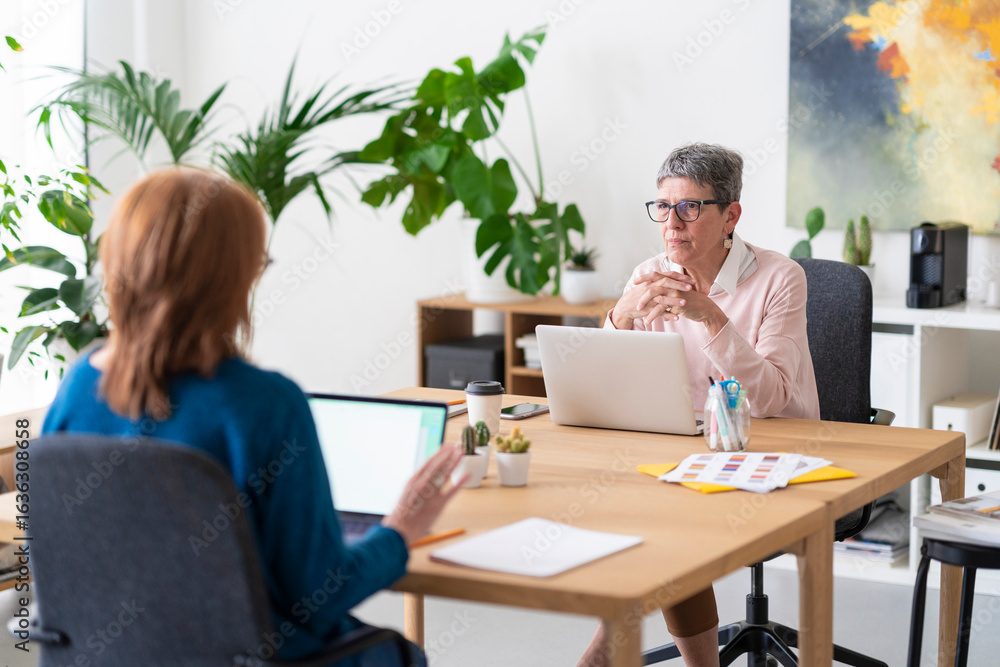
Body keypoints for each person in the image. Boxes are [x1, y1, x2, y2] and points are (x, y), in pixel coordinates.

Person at [42, 168, 464, 666]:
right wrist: (399, 531)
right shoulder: (265, 404)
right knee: (400, 654)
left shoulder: (76, 389)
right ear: (231, 279)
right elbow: (320, 597)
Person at [578, 143, 819, 667]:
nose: (671, 223)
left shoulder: (780, 278)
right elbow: (604, 384)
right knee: (640, 507)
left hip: (772, 454)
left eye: (689, 207)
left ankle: (611, 646)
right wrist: (620, 316)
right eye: (663, 207)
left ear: (730, 216)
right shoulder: (649, 276)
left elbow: (772, 398)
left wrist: (711, 317)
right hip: (683, 456)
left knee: (664, 522)